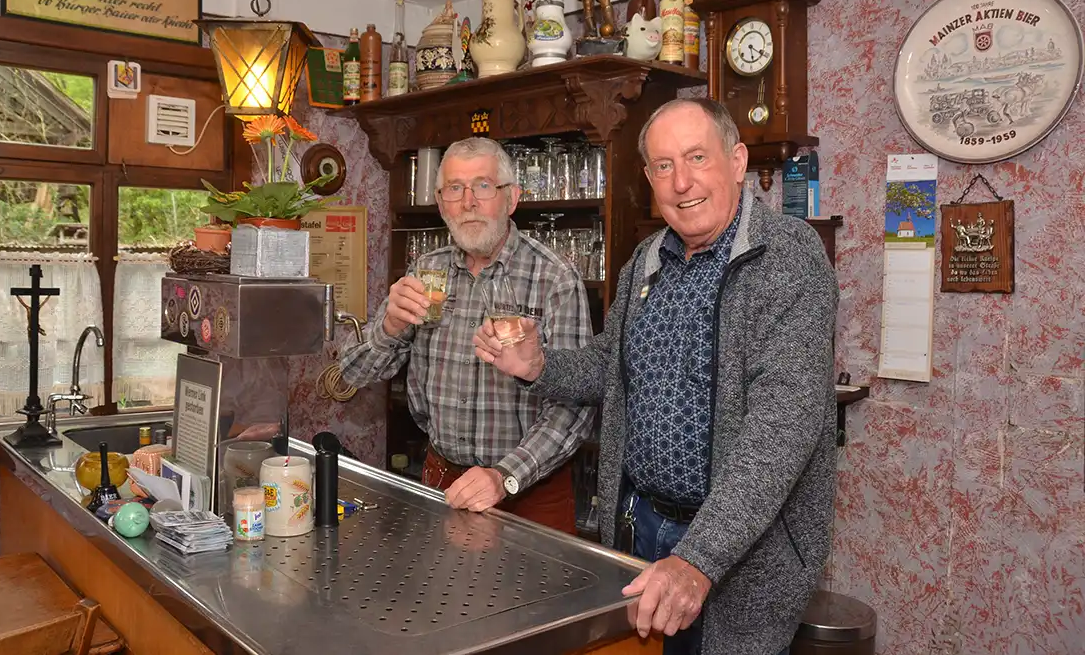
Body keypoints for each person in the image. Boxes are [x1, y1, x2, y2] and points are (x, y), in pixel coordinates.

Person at [473, 99, 839, 655]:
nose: (682, 181)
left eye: (697, 157)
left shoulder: (787, 256)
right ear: (648, 178)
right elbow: (611, 365)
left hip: (739, 550)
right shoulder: (647, 259)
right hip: (641, 527)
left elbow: (783, 424)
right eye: (663, 166)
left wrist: (699, 558)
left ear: (737, 161)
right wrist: (538, 365)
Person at [339, 137, 594, 533]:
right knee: (440, 595)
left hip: (528, 490)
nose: (469, 201)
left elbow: (575, 407)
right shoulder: (426, 270)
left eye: (484, 186)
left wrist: (504, 475)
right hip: (442, 481)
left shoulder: (554, 278)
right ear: (441, 204)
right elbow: (353, 375)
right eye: (455, 189)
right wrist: (389, 328)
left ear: (511, 199)